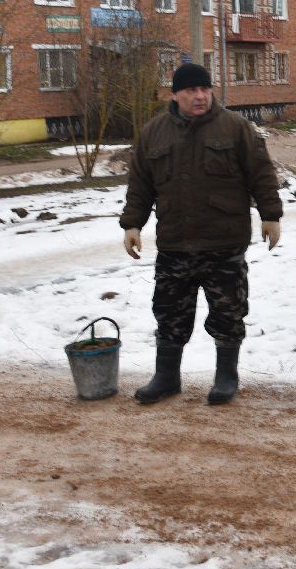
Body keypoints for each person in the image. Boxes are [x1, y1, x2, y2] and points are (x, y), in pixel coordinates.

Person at [120, 63, 283, 406]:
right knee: (169, 312)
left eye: (205, 89)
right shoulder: (154, 133)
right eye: (191, 90)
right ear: (175, 95)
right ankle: (166, 377)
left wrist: (271, 215)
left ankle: (226, 376)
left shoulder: (236, 128)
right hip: (175, 243)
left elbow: (261, 173)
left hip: (223, 242)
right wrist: (132, 224)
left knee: (228, 312)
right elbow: (140, 185)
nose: (200, 96)